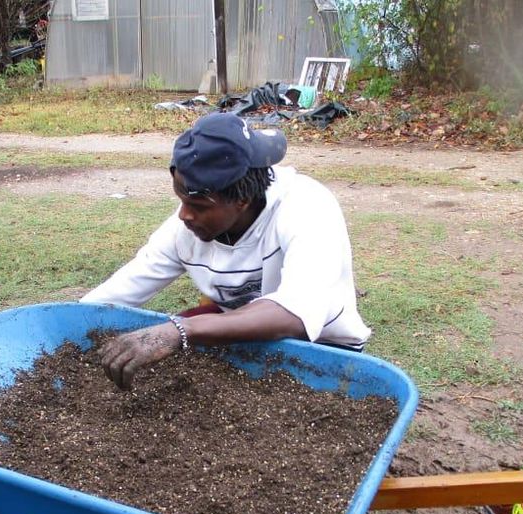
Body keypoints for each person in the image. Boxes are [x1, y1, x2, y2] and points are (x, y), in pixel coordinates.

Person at [80, 112, 370, 389]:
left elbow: (297, 312)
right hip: (239, 341)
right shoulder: (184, 231)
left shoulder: (307, 207)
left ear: (242, 200)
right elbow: (122, 290)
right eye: (181, 200)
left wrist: (181, 330)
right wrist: (72, 324)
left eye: (197, 206)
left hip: (323, 350)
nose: (183, 215)